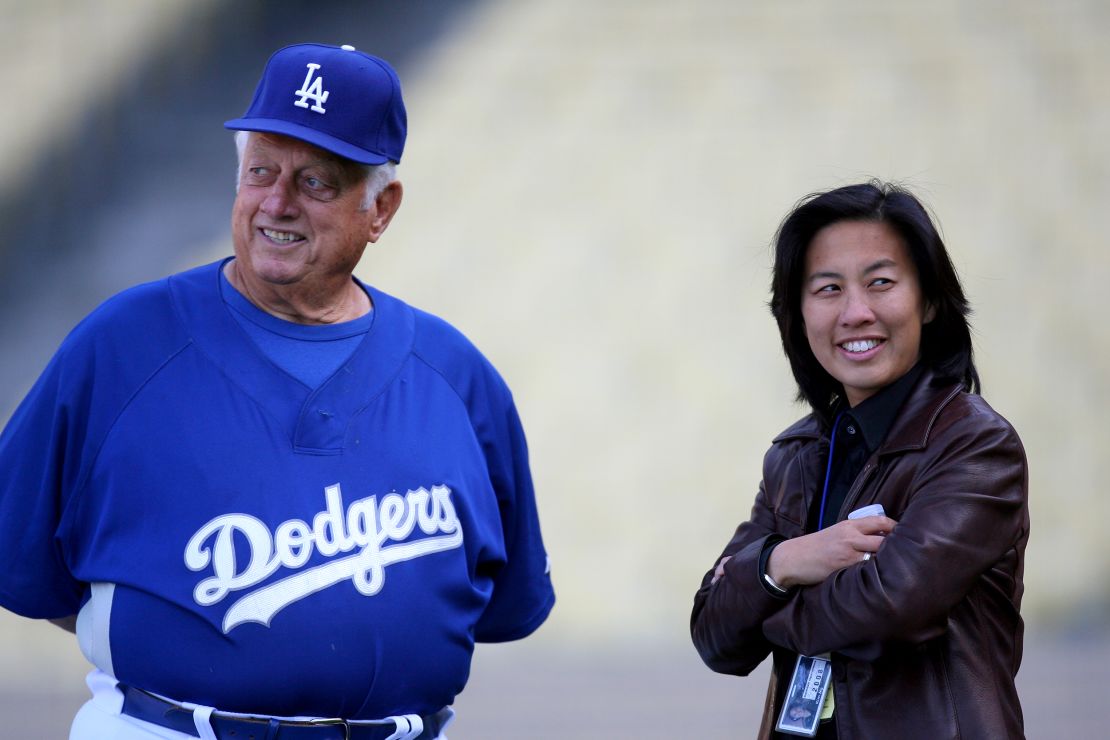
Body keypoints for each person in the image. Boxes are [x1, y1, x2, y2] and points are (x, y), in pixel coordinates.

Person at [0, 42, 554, 740]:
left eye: (316, 181)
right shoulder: (121, 346)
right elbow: (26, 562)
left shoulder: (457, 378)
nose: (277, 201)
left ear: (380, 209)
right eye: (261, 169)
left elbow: (500, 604)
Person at [690, 181, 1029, 739]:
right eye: (827, 288)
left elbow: (890, 609)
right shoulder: (795, 455)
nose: (855, 312)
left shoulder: (975, 447)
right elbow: (715, 634)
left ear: (930, 299)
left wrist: (758, 594)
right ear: (797, 314)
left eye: (881, 283)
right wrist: (787, 561)